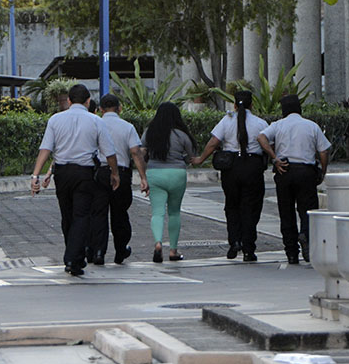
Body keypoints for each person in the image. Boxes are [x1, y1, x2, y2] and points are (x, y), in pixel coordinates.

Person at [31, 84, 119, 276]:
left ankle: (74, 256)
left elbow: (45, 148)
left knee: (67, 215)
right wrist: (114, 173)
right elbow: (109, 152)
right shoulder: (96, 121)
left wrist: (35, 175)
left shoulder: (55, 120)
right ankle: (72, 258)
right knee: (81, 216)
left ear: (69, 101)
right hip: (85, 173)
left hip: (62, 173)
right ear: (88, 102)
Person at [191, 90, 268, 262]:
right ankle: (249, 248)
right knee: (251, 207)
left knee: (232, 205)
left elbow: (213, 142)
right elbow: (268, 144)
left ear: (234, 105)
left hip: (231, 168)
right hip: (253, 167)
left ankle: (234, 241)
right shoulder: (260, 123)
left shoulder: (226, 121)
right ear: (252, 105)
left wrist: (200, 159)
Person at [257, 94, 331, 265]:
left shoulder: (278, 125)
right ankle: (305, 235)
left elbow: (261, 137)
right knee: (308, 210)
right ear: (299, 108)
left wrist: (274, 157)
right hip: (306, 171)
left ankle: (291, 252)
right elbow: (324, 151)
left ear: (283, 109)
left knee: (286, 211)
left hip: (285, 171)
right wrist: (323, 171)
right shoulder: (311, 126)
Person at [88, 93, 149, 265]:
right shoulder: (127, 127)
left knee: (98, 213)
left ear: (100, 109)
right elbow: (135, 153)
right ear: (119, 108)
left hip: (99, 173)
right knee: (120, 213)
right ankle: (121, 249)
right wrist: (143, 177)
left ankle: (98, 251)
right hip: (121, 173)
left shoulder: (94, 124)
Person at [142, 101, 196, 263]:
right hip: (177, 174)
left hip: (155, 173)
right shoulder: (182, 135)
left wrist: (144, 172)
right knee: (174, 212)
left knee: (157, 212)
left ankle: (158, 243)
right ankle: (173, 250)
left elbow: (141, 152)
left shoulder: (149, 132)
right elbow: (190, 156)